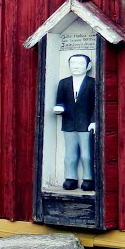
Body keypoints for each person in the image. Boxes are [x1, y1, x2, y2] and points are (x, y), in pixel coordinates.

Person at [54, 53, 97, 191]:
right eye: (73, 63)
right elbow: (60, 100)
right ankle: (70, 177)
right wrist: (59, 108)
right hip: (69, 123)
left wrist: (94, 121)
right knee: (70, 153)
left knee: (86, 154)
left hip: (85, 124)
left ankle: (88, 178)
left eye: (80, 64)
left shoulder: (93, 83)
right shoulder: (64, 82)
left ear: (88, 66)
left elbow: (97, 104)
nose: (76, 66)